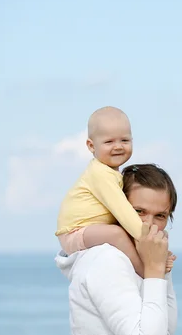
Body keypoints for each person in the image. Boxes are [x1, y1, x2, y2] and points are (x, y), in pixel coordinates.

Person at [55, 163, 178, 335]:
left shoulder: (145, 259)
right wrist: (156, 269)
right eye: (139, 212)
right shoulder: (107, 259)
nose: (149, 225)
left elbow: (164, 334)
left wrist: (159, 270)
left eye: (160, 216)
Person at [55, 106, 174, 277]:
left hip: (90, 229)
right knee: (117, 233)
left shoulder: (110, 173)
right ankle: (146, 270)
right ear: (91, 145)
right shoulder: (100, 174)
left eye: (124, 141)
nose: (118, 147)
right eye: (109, 142)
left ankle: (152, 259)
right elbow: (124, 212)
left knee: (124, 232)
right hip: (75, 232)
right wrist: (149, 241)